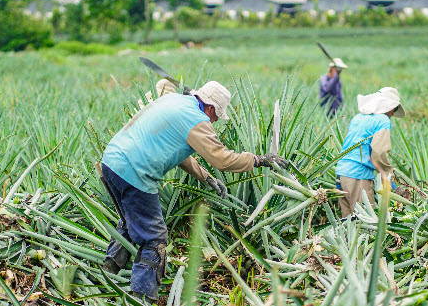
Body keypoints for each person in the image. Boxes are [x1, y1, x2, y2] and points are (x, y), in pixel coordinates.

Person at [100, 80, 288, 303]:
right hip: (135, 172)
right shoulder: (197, 120)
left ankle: (107, 273)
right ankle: (141, 297)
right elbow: (222, 160)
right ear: (210, 108)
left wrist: (206, 177)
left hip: (111, 162)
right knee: (154, 238)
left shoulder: (175, 101)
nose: (216, 120)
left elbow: (177, 150)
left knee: (131, 222)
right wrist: (258, 160)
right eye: (217, 115)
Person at [335, 87, 406, 217]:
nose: (393, 113)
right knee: (366, 224)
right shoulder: (383, 120)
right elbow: (379, 154)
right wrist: (391, 181)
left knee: (347, 225)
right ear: (389, 107)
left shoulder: (358, 118)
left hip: (341, 174)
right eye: (394, 109)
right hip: (358, 176)